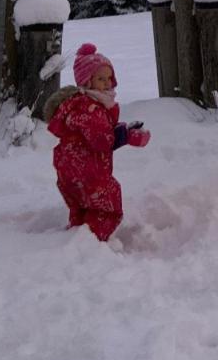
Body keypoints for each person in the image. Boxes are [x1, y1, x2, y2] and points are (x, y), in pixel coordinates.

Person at [44, 43, 150, 241]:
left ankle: (75, 238)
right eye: (101, 79)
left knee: (83, 208)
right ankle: (92, 244)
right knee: (107, 207)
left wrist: (121, 130)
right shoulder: (90, 108)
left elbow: (96, 134)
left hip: (69, 170)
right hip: (87, 170)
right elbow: (102, 140)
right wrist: (128, 136)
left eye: (109, 78)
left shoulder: (78, 105)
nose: (107, 83)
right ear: (86, 81)